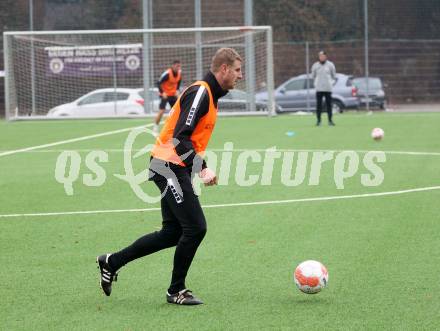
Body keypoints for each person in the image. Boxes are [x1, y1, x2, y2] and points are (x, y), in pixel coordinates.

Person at [97, 48, 243, 305]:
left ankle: (112, 261)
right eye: (237, 70)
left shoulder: (212, 95)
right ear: (223, 69)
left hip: (175, 166)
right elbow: (180, 136)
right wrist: (202, 166)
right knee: (196, 228)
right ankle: (176, 290)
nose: (240, 76)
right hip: (167, 165)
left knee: (172, 233)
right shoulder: (201, 92)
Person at [153, 60, 182, 136]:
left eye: (179, 66)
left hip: (173, 95)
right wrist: (162, 92)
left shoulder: (179, 74)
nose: (178, 68)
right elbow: (158, 82)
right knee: (162, 111)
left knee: (177, 112)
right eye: (176, 66)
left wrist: (177, 91)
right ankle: (155, 128)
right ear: (173, 66)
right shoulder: (167, 73)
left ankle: (174, 129)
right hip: (165, 95)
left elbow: (178, 84)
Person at [311, 51, 336, 126]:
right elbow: (313, 76)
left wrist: (331, 83)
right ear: (319, 57)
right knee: (319, 105)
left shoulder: (330, 65)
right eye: (320, 56)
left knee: (329, 105)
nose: (322, 57)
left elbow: (333, 76)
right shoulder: (315, 65)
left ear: (326, 57)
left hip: (328, 88)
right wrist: (316, 84)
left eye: (323, 56)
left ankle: (330, 120)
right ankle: (319, 121)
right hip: (319, 88)